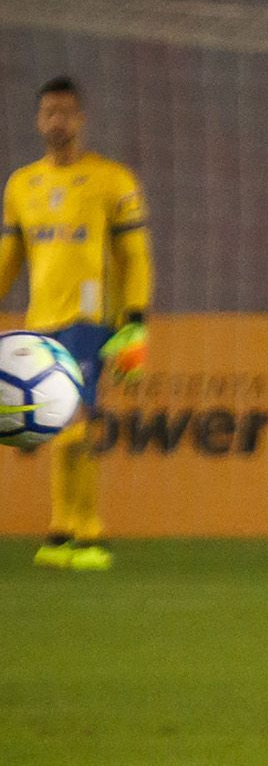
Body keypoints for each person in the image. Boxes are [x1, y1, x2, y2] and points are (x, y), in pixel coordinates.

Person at [0, 77, 151, 571]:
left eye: (66, 112)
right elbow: (9, 257)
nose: (57, 121)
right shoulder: (22, 185)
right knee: (56, 426)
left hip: (89, 319)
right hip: (41, 322)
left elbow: (134, 255)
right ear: (39, 121)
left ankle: (87, 532)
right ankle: (65, 531)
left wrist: (135, 321)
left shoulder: (113, 180)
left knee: (72, 421)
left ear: (81, 119)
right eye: (49, 113)